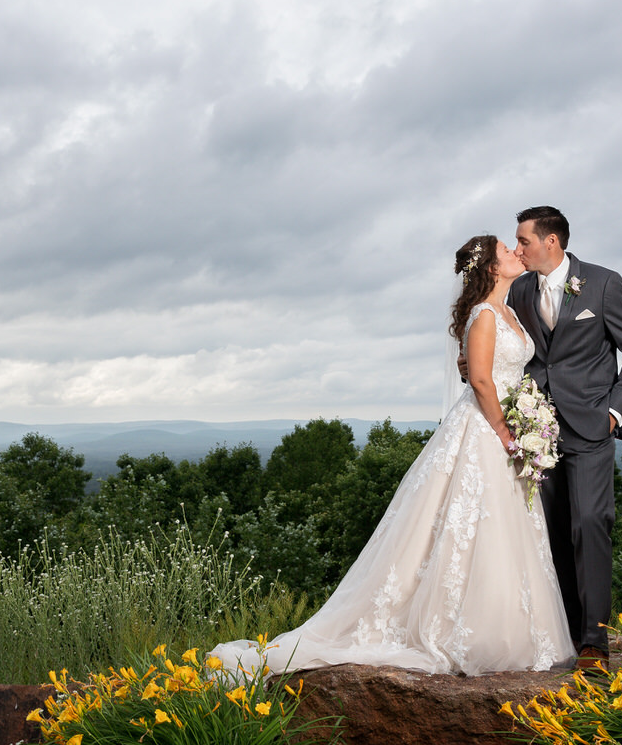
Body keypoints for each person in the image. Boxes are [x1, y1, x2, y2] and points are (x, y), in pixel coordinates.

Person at [210, 234, 575, 676]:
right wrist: (507, 433)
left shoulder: (510, 312)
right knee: (470, 527)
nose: (518, 251)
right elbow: (480, 380)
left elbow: (507, 370)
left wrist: (525, 422)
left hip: (508, 429)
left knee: (504, 529)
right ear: (491, 268)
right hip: (486, 431)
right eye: (507, 249)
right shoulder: (483, 315)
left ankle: (509, 627)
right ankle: (460, 629)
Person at [508, 205, 622, 667]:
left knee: (590, 523)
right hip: (536, 432)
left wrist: (614, 412)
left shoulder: (604, 283)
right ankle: (565, 632)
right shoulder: (518, 288)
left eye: (524, 241)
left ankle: (594, 639)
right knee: (548, 533)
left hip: (591, 428)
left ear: (551, 241)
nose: (518, 249)